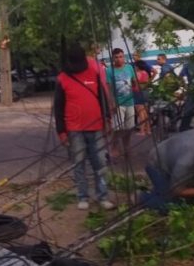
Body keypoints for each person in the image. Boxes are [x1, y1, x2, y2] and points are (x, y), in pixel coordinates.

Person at [54, 44, 115, 211]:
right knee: (78, 164)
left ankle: (102, 196)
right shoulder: (62, 79)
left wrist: (108, 118)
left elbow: (102, 98)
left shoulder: (94, 73)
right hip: (74, 129)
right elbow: (58, 108)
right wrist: (61, 132)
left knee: (100, 163)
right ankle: (83, 196)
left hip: (96, 127)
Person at [141, 125, 194, 212]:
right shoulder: (186, 161)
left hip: (174, 154)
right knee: (172, 206)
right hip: (158, 163)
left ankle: (159, 191)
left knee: (191, 199)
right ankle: (141, 198)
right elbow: (176, 190)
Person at [106, 48, 136, 160]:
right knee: (118, 128)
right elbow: (108, 88)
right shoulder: (109, 71)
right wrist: (111, 103)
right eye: (116, 57)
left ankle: (127, 147)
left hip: (130, 101)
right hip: (118, 103)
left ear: (124, 57)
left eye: (121, 57)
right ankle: (114, 146)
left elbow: (134, 82)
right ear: (113, 58)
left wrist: (136, 85)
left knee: (129, 127)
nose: (119, 59)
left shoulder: (129, 68)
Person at [133, 59, 151, 135]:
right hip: (145, 92)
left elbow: (133, 83)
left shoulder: (137, 73)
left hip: (138, 93)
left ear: (137, 66)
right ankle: (148, 130)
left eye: (135, 66)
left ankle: (142, 131)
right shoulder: (146, 73)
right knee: (144, 113)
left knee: (140, 113)